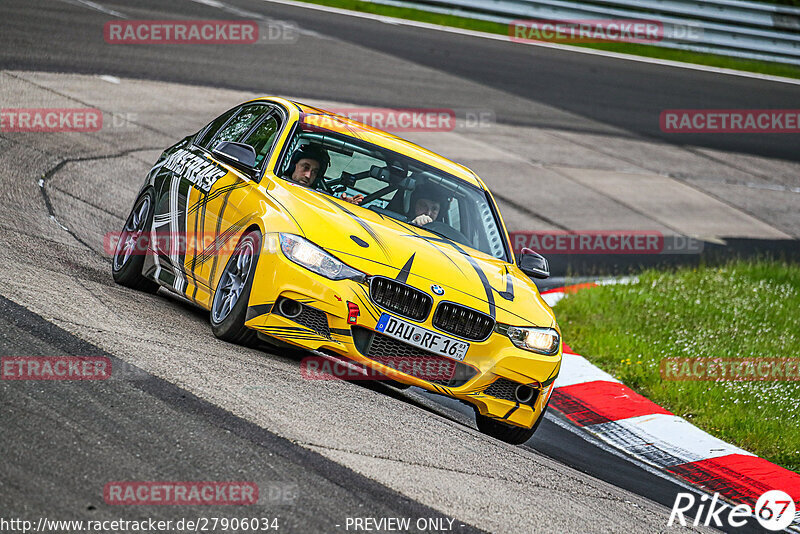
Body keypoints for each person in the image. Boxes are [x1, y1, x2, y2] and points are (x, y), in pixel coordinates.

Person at [285, 143, 363, 204]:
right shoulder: (275, 183)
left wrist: (341, 205)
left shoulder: (319, 198)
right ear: (293, 165)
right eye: (305, 167)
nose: (308, 175)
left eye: (314, 172)